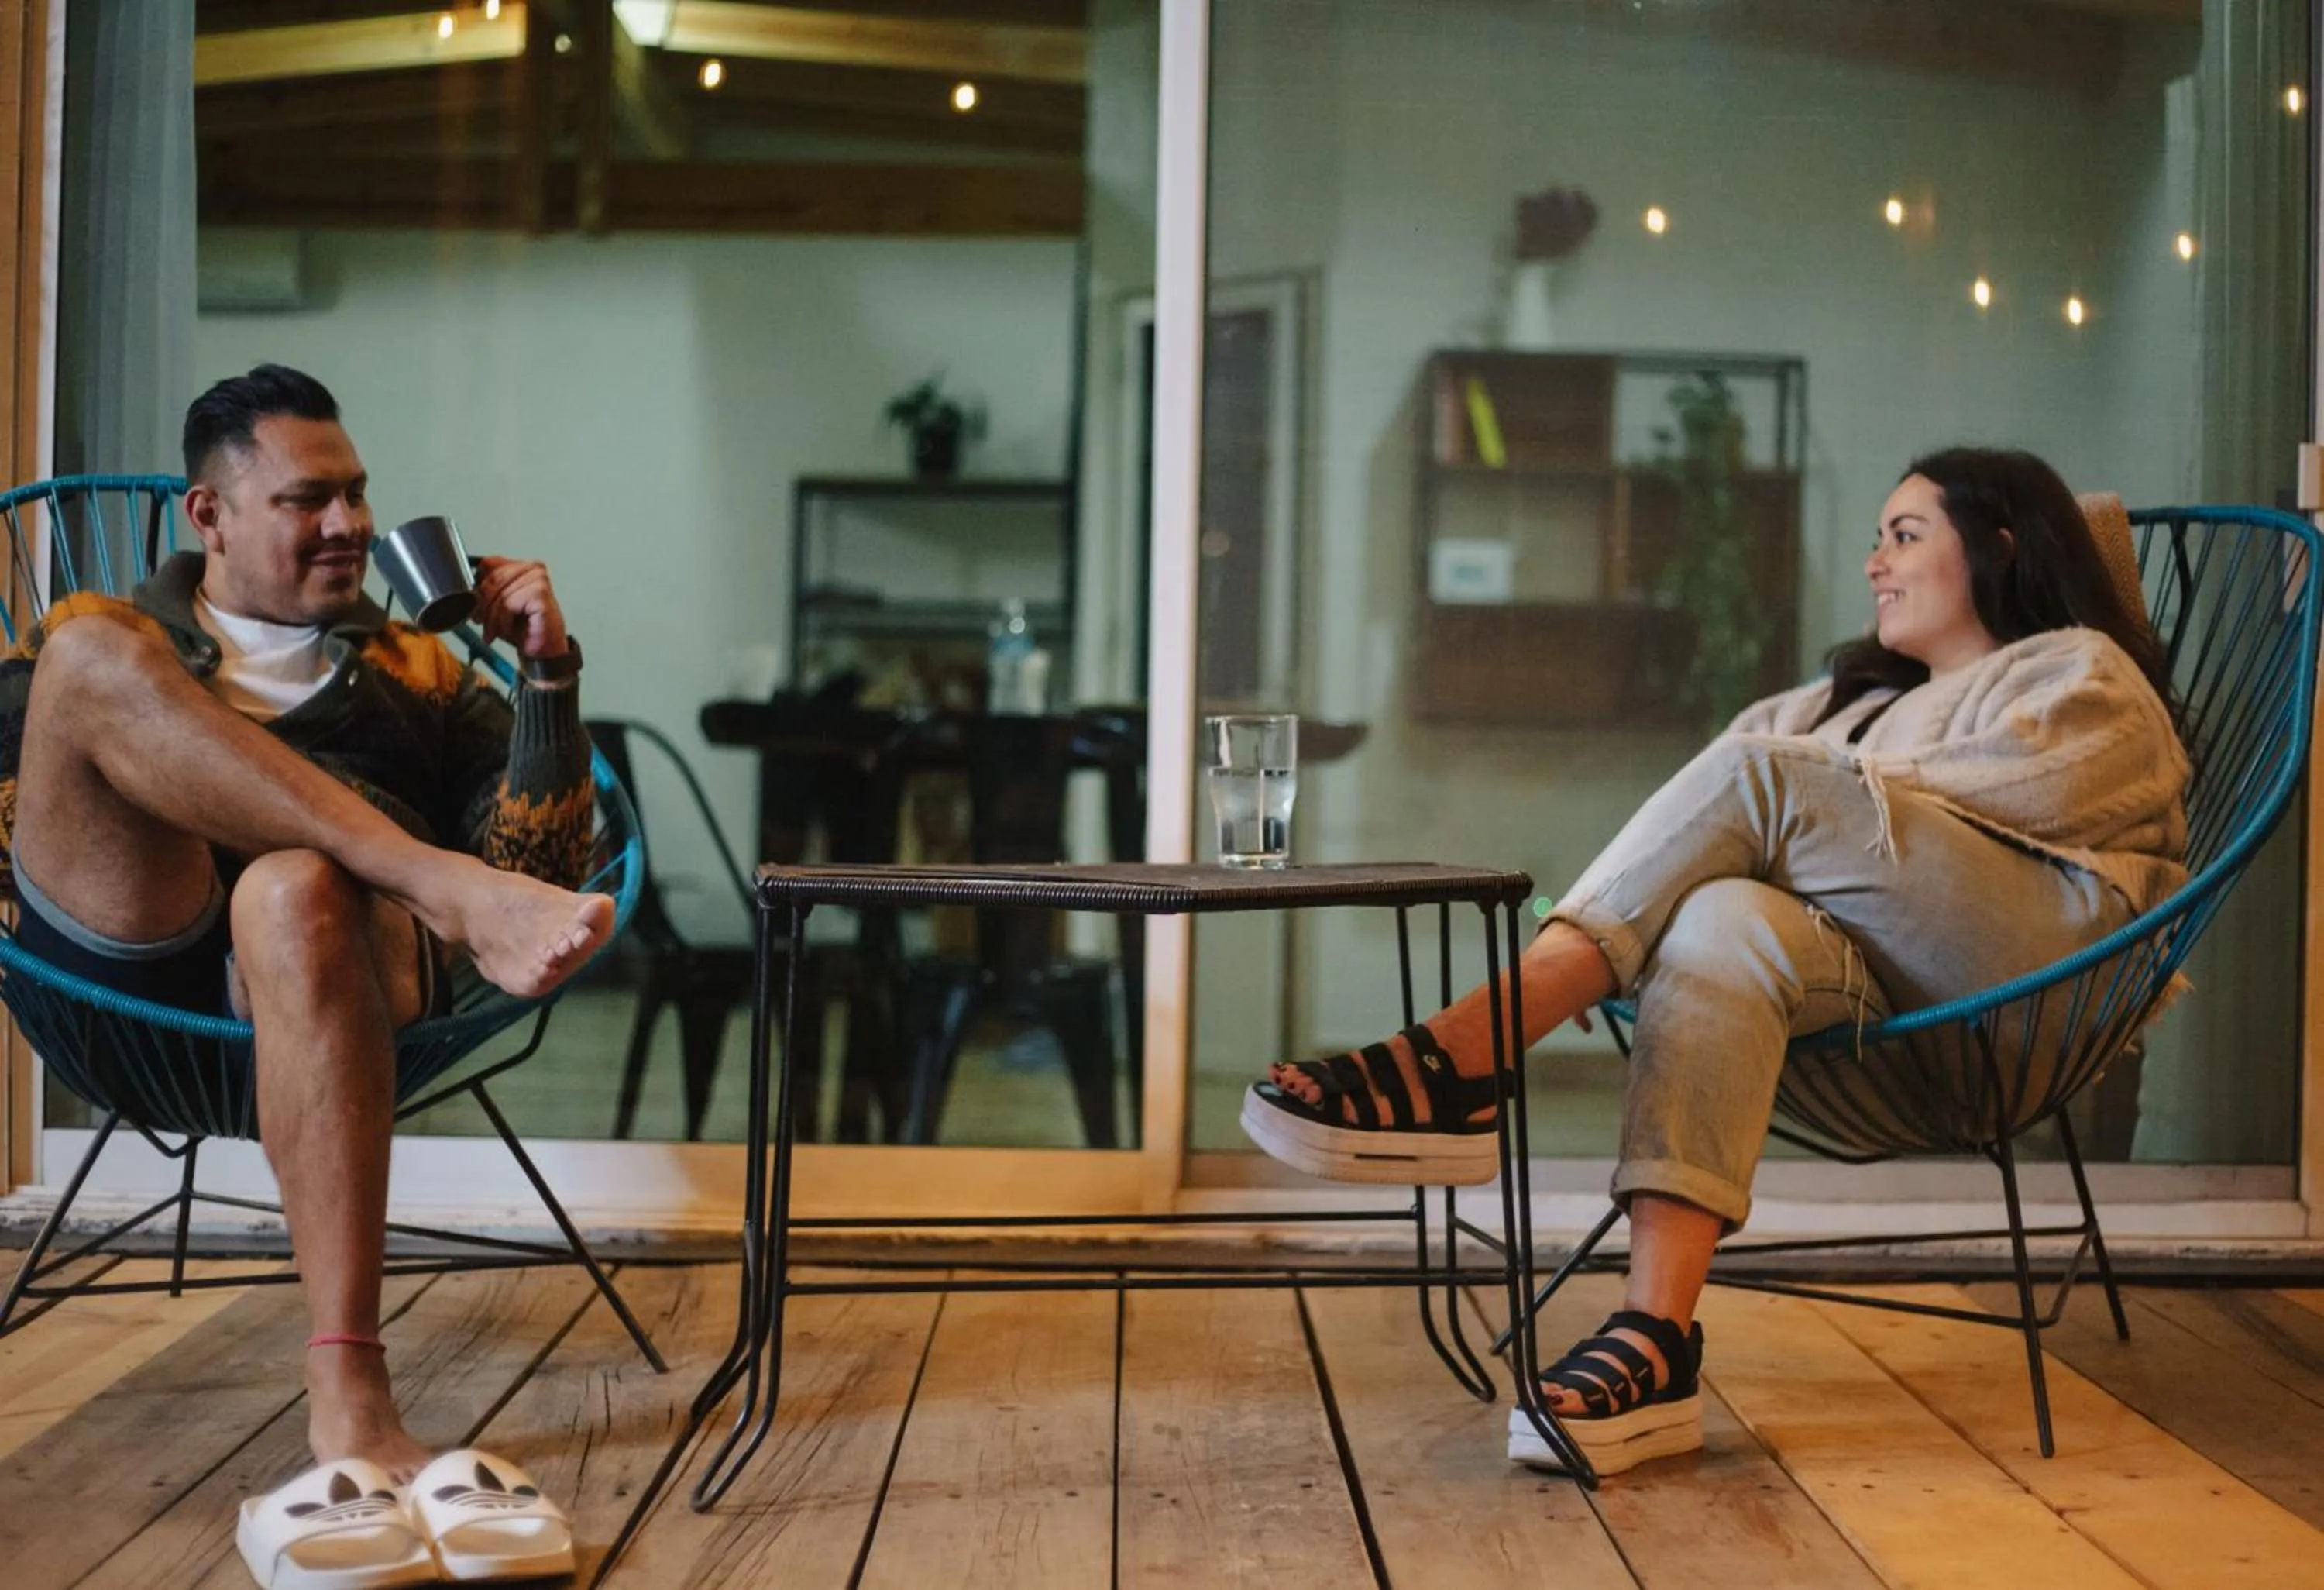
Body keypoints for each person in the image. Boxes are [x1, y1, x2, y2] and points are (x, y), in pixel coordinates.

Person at [1241, 447, 2186, 1476]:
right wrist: (1786, 803)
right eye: (1876, 539)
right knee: (1719, 919)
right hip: (1878, 1009)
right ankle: (1658, 1338)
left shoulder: (2081, 671)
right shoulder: (1845, 706)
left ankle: (1463, 1054)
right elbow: (1739, 805)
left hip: (2024, 985)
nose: (1874, 562)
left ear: (2001, 548)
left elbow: (1805, 792)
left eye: (1905, 536)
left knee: (1756, 787)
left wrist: (1803, 793)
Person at [0, 364, 613, 1505]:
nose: (352, 526)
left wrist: (544, 672)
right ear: (210, 516)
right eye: (307, 501)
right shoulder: (113, 642)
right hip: (133, 977)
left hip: (337, 977)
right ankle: (424, 876)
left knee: (291, 890)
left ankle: (348, 1378)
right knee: (83, 659)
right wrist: (444, 882)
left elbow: (536, 890)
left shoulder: (417, 668)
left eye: (358, 494)